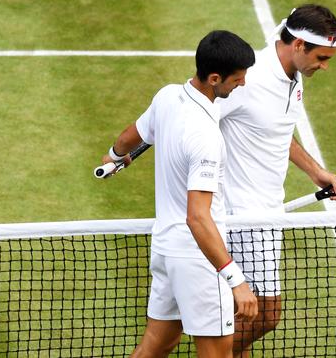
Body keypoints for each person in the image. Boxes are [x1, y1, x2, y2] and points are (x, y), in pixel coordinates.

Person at [100, 30, 258, 358]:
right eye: (238, 79)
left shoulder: (168, 97)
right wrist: (235, 279)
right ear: (215, 78)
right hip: (198, 261)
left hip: (166, 251)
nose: (242, 84)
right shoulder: (206, 139)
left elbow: (132, 135)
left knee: (156, 346)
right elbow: (197, 217)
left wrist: (114, 156)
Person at [217, 4, 336, 357]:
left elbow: (274, 132)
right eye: (321, 58)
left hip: (267, 211)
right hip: (244, 215)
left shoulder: (292, 78)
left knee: (238, 313)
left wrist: (316, 171)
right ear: (299, 46)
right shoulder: (251, 80)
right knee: (265, 314)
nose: (324, 66)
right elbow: (195, 118)